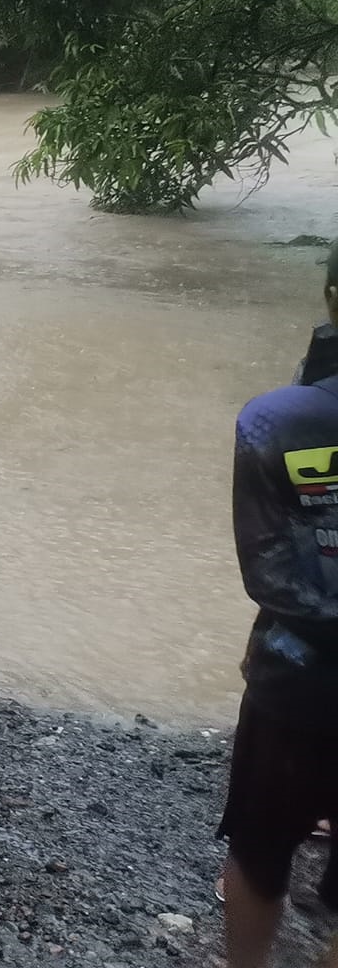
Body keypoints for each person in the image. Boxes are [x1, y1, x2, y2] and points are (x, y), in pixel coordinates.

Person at [219, 245, 338, 967]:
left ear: (329, 297)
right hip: (296, 673)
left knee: (261, 849)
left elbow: (272, 573)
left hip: (296, 682)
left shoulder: (276, 419)